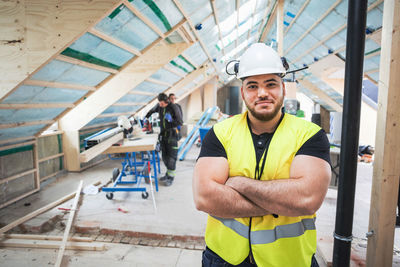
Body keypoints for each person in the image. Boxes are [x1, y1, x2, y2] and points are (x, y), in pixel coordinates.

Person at [193, 43, 331, 267]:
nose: (263, 93)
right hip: (224, 259)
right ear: (243, 92)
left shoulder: (309, 135)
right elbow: (204, 197)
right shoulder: (220, 133)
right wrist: (282, 202)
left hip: (288, 261)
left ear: (283, 89)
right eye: (253, 86)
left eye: (271, 84)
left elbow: (307, 199)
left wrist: (238, 183)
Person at [145, 93, 183, 186]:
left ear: (166, 101)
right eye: (159, 104)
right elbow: (152, 111)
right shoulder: (159, 106)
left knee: (171, 158)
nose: (160, 106)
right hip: (163, 135)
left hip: (172, 135)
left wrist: (171, 120)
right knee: (165, 157)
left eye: (162, 104)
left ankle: (171, 178)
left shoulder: (174, 107)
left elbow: (180, 122)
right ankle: (167, 174)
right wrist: (146, 118)